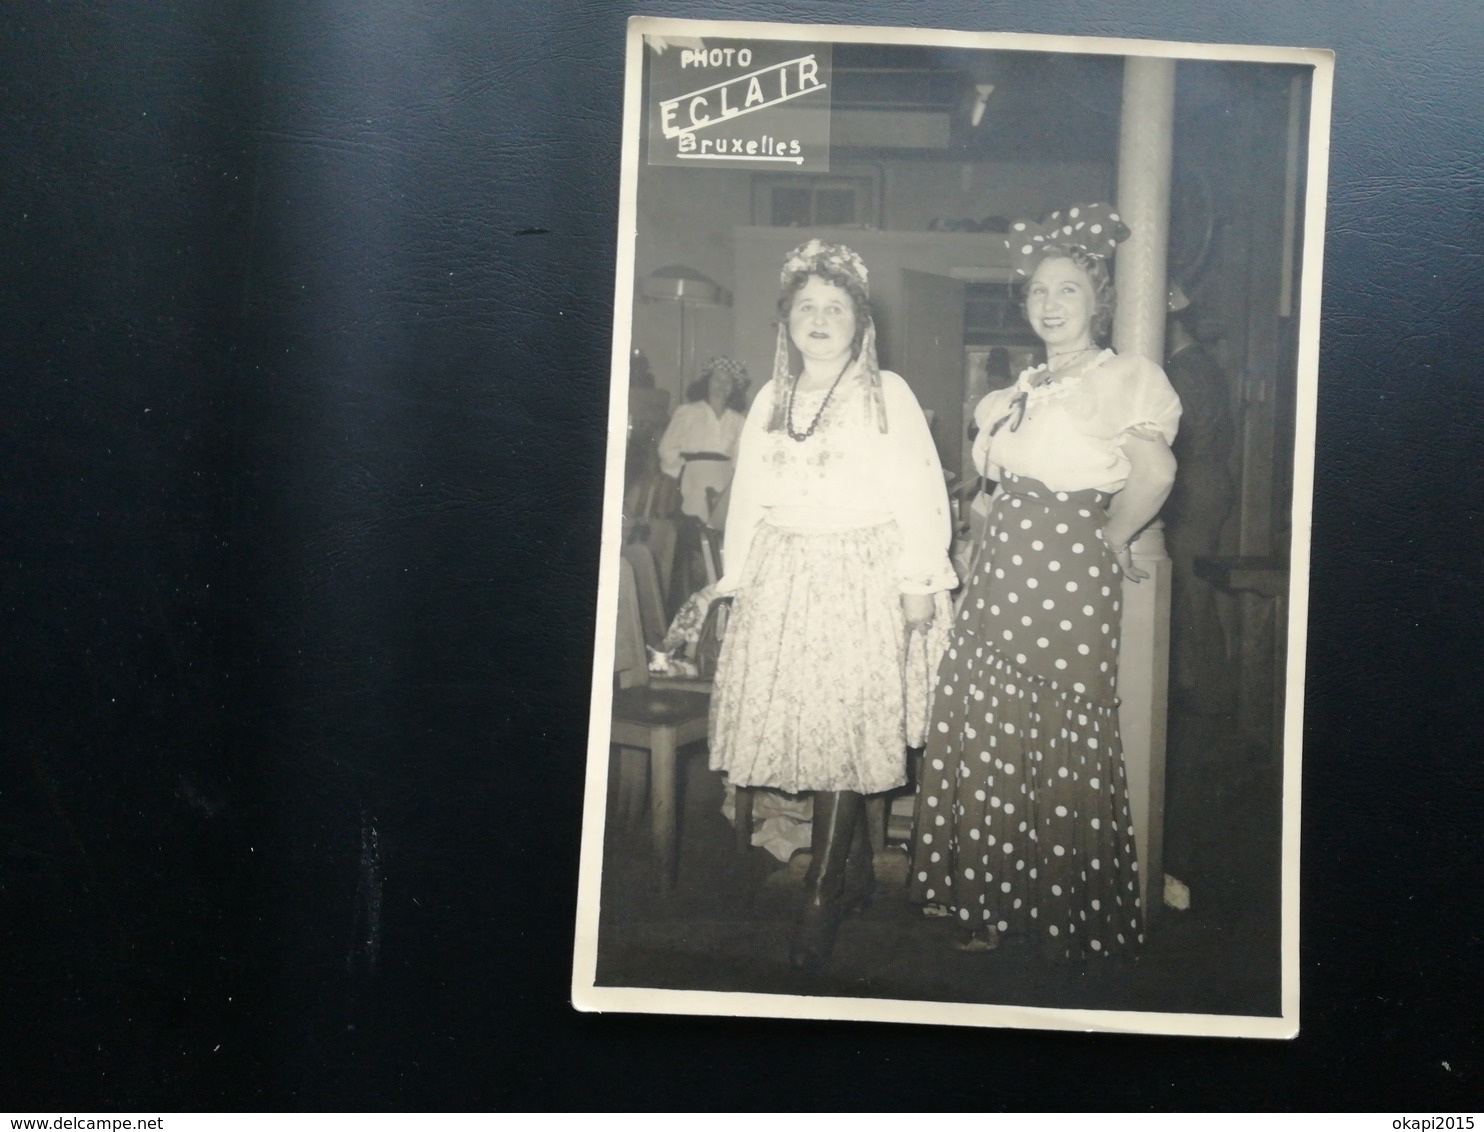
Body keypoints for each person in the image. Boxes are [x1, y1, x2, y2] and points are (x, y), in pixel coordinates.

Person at [909, 204, 1182, 959]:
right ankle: (987, 903)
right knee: (990, 722)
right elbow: (989, 491)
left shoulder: (1122, 378)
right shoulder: (1013, 391)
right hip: (998, 572)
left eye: (1067, 290)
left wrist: (1113, 534)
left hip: (1066, 573)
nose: (1050, 304)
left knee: (1059, 723)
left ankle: (1066, 909)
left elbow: (1156, 470)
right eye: (1037, 292)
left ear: (1097, 300)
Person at [709, 239, 957, 971]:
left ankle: (821, 883)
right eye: (807, 308)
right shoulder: (768, 400)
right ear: (787, 321)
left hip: (863, 574)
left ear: (860, 323)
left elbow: (921, 490)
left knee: (848, 721)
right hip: (786, 574)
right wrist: (738, 579)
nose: (821, 319)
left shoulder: (890, 393)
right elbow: (748, 498)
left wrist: (919, 578)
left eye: (836, 308)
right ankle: (848, 872)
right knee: (812, 723)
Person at [1163, 285, 1237, 713]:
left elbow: (1179, 440)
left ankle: (1211, 696)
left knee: (1191, 593)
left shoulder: (1183, 370)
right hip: (1203, 484)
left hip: (1194, 487)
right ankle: (1201, 687)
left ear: (1170, 320)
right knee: (1193, 592)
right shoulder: (1197, 365)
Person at [656, 356, 749, 525]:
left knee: (720, 530)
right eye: (717, 379)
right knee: (691, 530)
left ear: (734, 388)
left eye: (727, 382)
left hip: (724, 481)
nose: (721, 385)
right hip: (691, 480)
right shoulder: (687, 412)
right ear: (707, 382)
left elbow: (739, 457)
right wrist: (681, 472)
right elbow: (667, 448)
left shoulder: (738, 421)